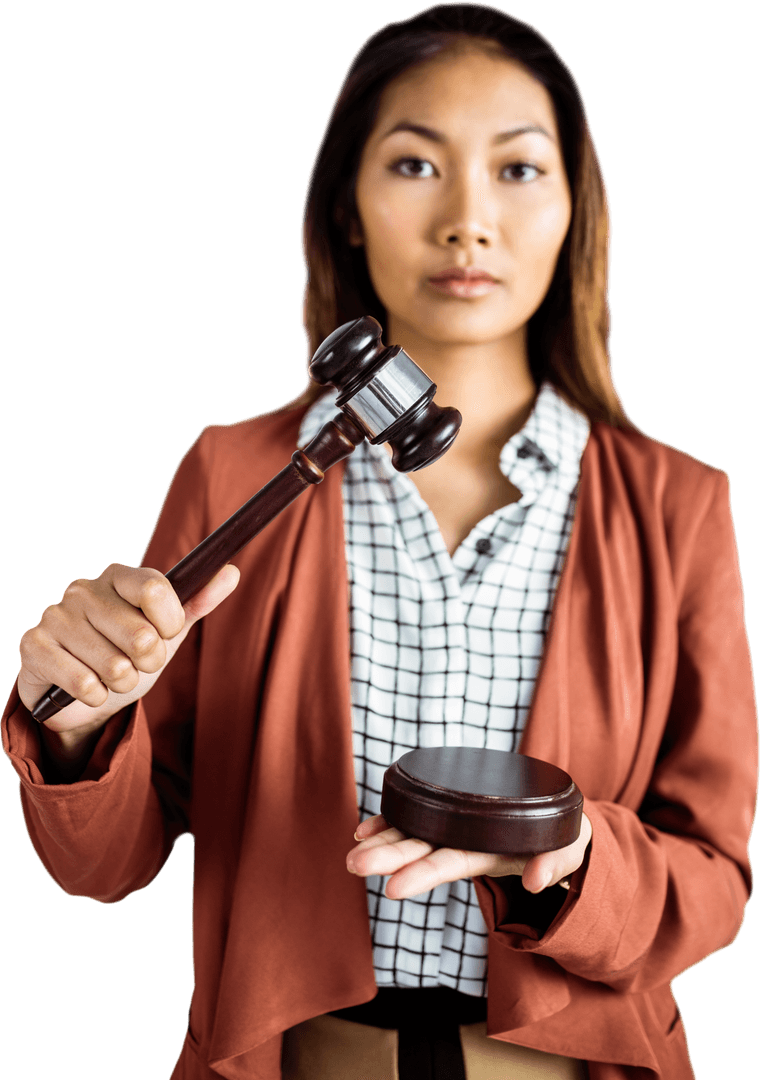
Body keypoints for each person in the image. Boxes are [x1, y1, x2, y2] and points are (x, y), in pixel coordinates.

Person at [2, 4, 756, 1079]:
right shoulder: (229, 472)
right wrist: (78, 727)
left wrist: (578, 857)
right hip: (299, 1057)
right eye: (413, 164)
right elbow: (103, 865)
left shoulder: (676, 505)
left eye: (517, 169)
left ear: (574, 210)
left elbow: (716, 877)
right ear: (346, 208)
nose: (466, 221)